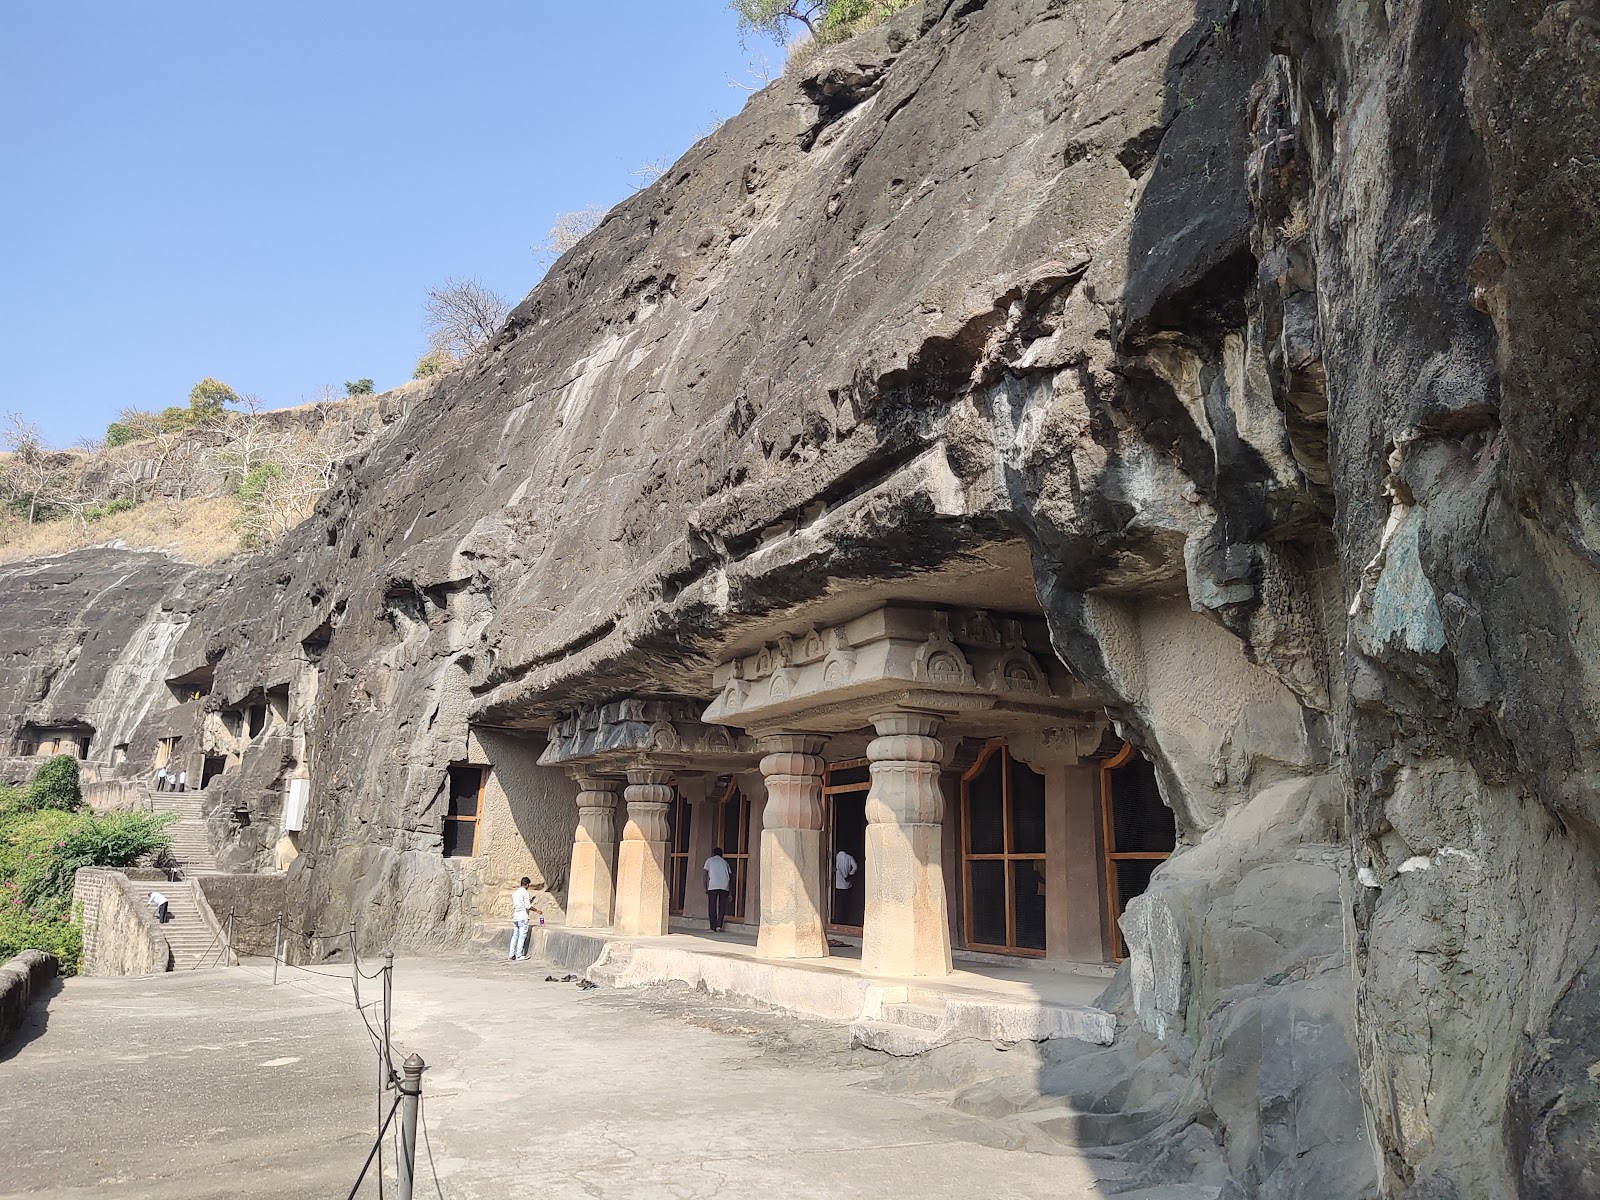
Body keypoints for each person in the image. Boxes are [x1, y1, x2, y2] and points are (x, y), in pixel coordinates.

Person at [704, 847, 732, 933]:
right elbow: (730, 876)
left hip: (713, 885)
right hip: (724, 886)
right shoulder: (725, 862)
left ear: (713, 853)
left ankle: (713, 927)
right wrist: (730, 892)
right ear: (721, 854)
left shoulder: (709, 861)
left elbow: (705, 874)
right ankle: (719, 926)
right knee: (722, 906)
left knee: (712, 906)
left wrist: (705, 887)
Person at [509, 877, 537, 961]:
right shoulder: (525, 892)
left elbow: (521, 903)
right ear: (527, 884)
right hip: (523, 916)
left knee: (515, 936)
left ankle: (511, 954)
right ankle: (519, 955)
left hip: (516, 916)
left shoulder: (515, 893)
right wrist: (537, 910)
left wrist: (530, 901)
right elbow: (527, 906)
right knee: (522, 936)